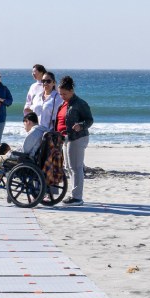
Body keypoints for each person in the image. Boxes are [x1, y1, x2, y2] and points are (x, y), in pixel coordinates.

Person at [57, 76, 93, 206]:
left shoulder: (80, 103)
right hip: (67, 138)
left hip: (78, 137)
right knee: (68, 167)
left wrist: (80, 125)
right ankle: (74, 194)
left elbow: (89, 120)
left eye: (64, 94)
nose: (62, 96)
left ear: (71, 91)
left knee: (76, 167)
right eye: (60, 94)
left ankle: (77, 197)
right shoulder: (64, 103)